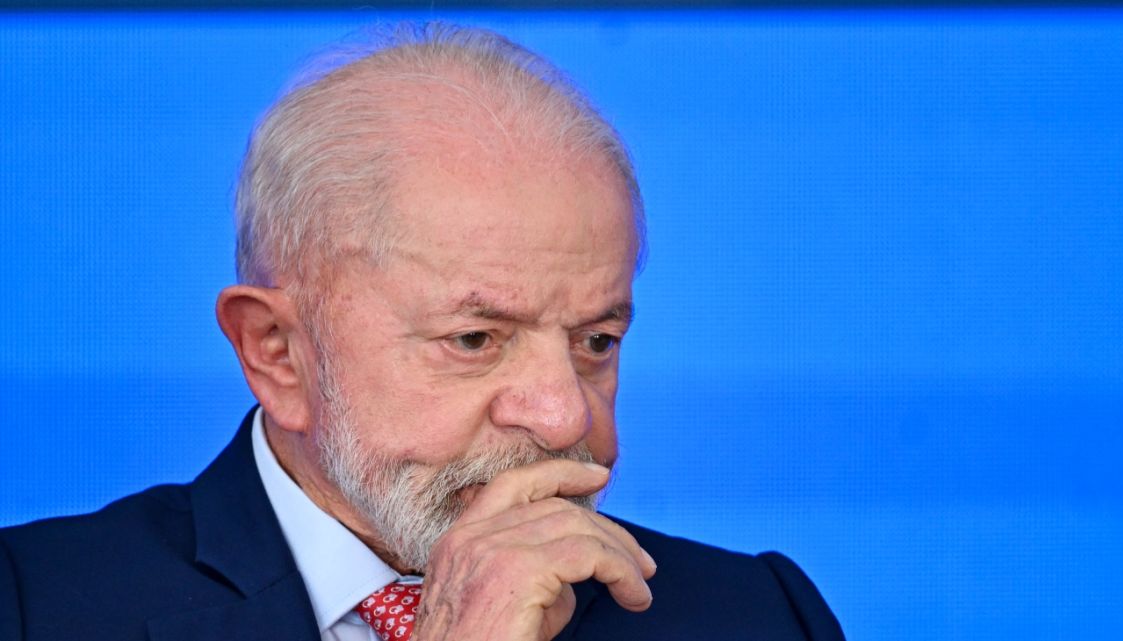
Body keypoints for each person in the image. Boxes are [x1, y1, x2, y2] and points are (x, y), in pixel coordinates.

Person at [0, 22, 843, 641]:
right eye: (476, 339)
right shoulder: (35, 606)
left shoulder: (756, 615)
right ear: (278, 353)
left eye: (596, 341)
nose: (565, 418)